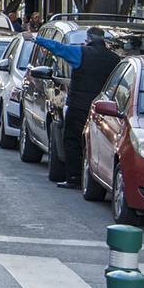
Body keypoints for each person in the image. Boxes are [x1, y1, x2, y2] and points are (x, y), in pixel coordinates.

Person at [24, 25, 121, 189]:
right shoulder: (115, 59)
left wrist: (35, 38)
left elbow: (58, 48)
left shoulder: (81, 53)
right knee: (95, 143)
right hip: (101, 109)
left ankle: (74, 177)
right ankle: (91, 177)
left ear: (88, 39)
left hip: (78, 106)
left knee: (72, 141)